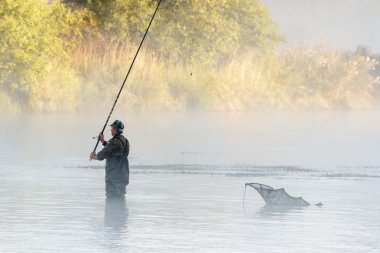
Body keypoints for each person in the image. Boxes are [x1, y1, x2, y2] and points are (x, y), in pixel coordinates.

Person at [90, 120, 130, 199]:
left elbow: (102, 155)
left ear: (116, 130)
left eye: (112, 128)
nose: (111, 130)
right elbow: (114, 150)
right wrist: (103, 141)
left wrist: (94, 157)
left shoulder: (114, 142)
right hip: (123, 176)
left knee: (111, 199)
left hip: (113, 178)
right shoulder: (125, 141)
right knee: (121, 198)